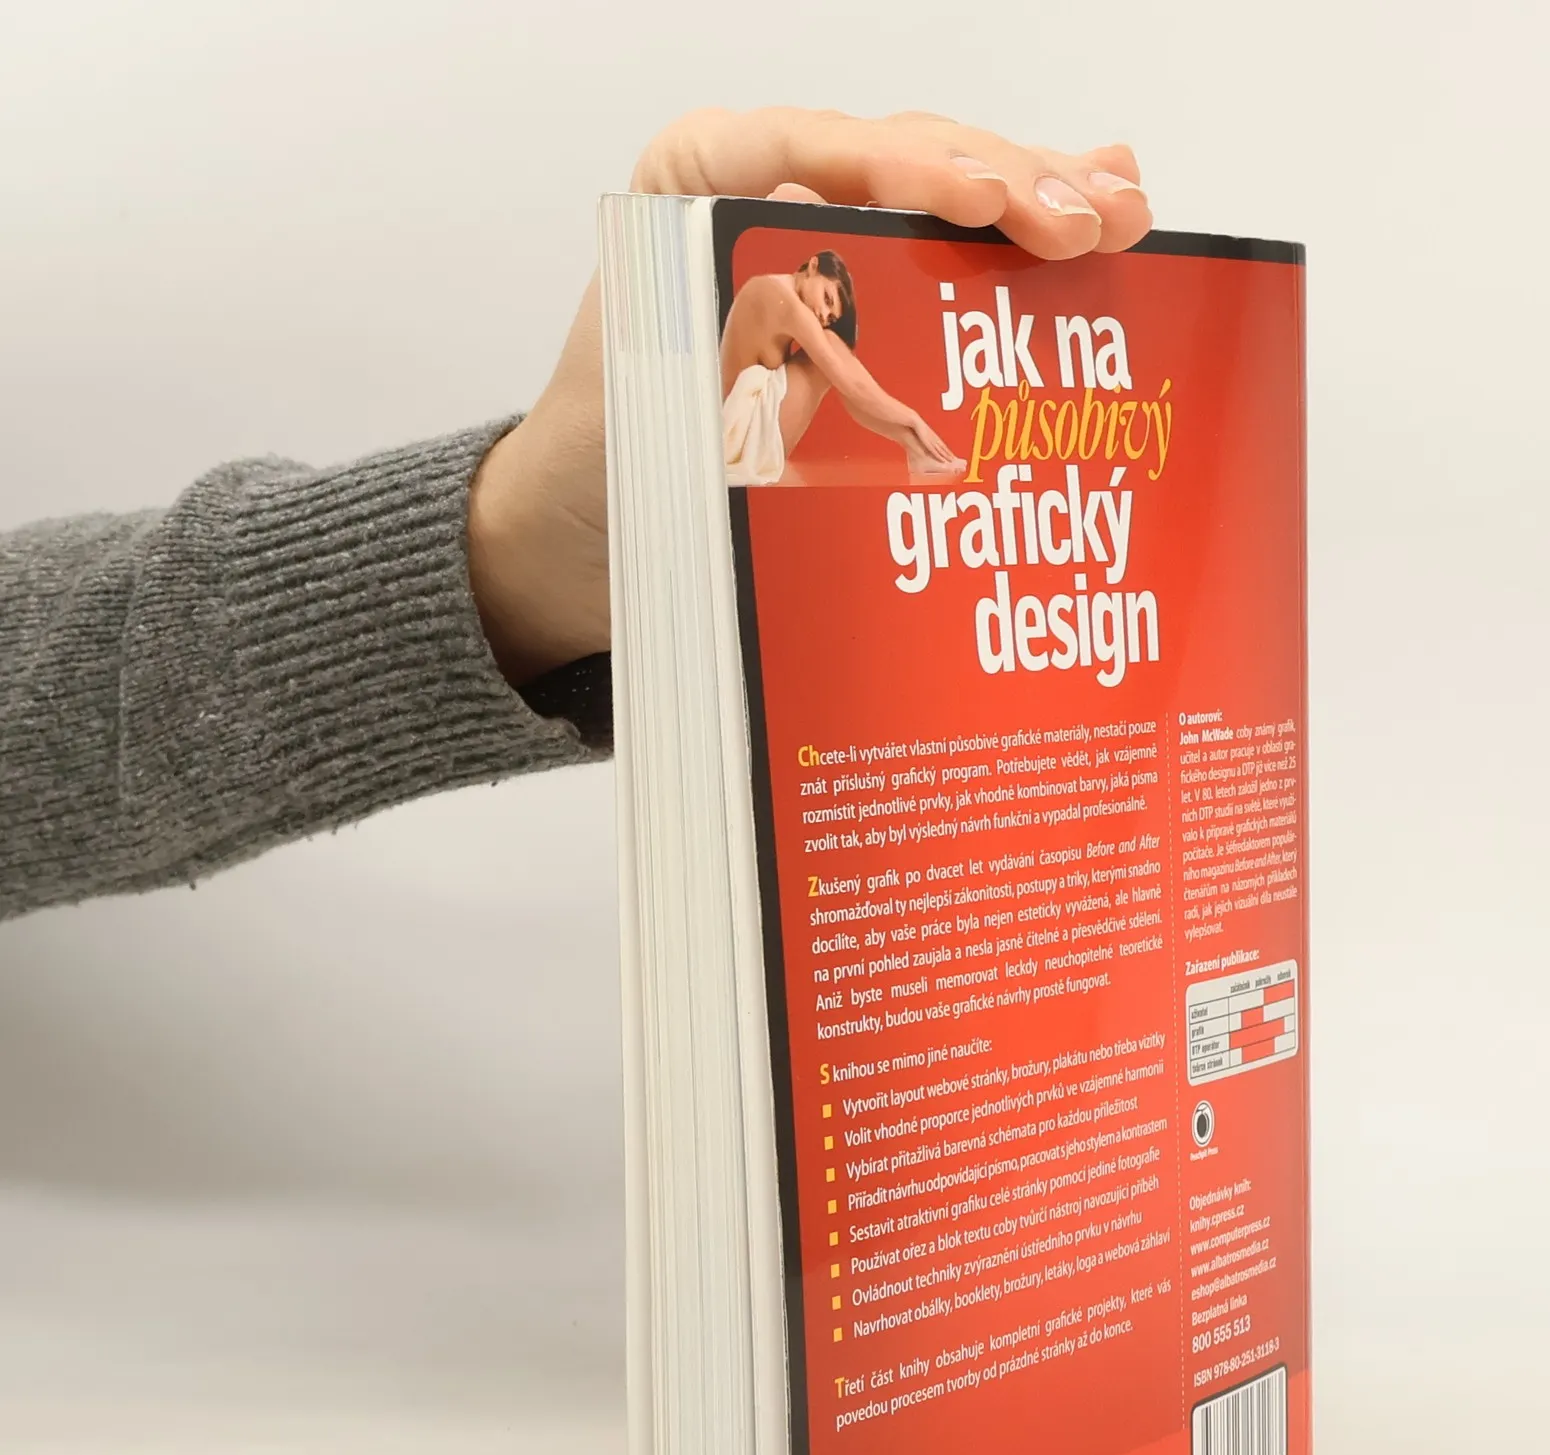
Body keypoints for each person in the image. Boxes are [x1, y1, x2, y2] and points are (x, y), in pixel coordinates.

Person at [0, 108, 1151, 922]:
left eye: (833, 294)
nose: (824, 300)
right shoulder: (780, 301)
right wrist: (912, 438)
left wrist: (514, 555)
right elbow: (855, 389)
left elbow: (850, 388)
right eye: (827, 288)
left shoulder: (787, 322)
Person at [719, 249, 963, 484]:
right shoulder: (785, 302)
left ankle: (916, 450)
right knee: (832, 347)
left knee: (833, 351)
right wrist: (914, 419)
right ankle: (917, 450)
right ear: (813, 266)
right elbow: (852, 385)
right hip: (739, 438)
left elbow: (852, 390)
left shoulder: (772, 287)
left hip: (745, 429)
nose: (822, 315)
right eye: (827, 298)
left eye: (830, 316)